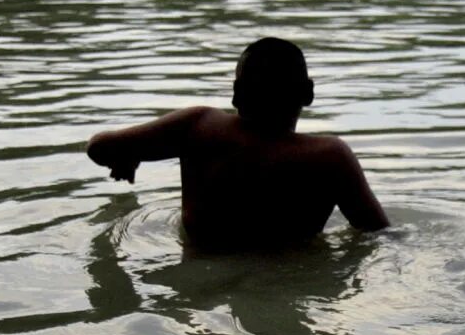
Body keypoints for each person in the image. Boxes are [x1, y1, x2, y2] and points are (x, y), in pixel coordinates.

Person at [86, 37, 389, 248]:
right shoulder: (330, 157)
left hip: (200, 282)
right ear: (308, 94)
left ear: (236, 93)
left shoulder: (200, 126)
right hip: (285, 281)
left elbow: (99, 148)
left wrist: (128, 154)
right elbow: (378, 235)